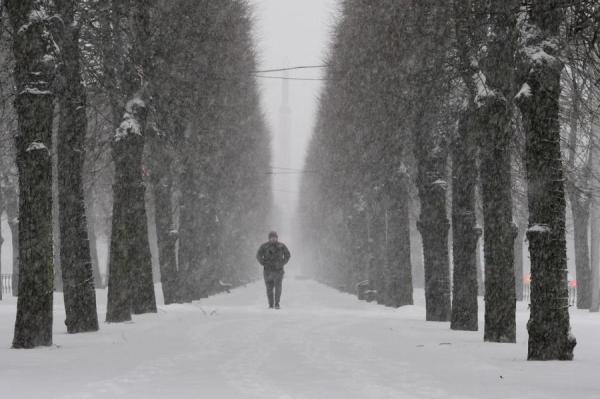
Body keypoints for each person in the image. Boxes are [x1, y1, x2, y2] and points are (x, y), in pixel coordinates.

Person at [256, 231, 291, 309]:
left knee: (278, 288)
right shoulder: (264, 246)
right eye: (272, 237)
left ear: (277, 238)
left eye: (274, 237)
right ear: (269, 238)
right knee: (269, 289)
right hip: (267, 271)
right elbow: (258, 255)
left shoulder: (281, 246)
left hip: (278, 270)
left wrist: (282, 263)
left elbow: (288, 255)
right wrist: (263, 263)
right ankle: (271, 304)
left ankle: (277, 303)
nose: (273, 239)